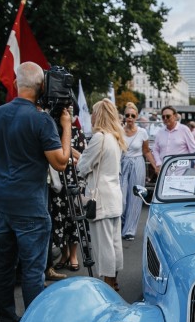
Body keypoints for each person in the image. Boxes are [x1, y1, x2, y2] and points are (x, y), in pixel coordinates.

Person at [0, 61, 73, 322]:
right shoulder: (41, 119)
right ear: (42, 86)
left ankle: (6, 320)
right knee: (32, 268)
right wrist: (65, 125)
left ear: (19, 84)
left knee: (4, 263)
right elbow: (61, 163)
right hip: (29, 204)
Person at [77, 99, 126, 290]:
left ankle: (106, 285)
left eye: (93, 112)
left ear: (99, 115)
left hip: (100, 198)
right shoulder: (115, 137)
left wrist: (78, 157)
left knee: (103, 246)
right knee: (114, 244)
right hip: (113, 195)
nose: (91, 116)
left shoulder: (99, 137)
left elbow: (83, 167)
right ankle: (113, 282)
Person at [49, 121, 87, 274]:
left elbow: (84, 158)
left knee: (73, 217)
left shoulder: (77, 132)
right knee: (60, 218)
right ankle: (63, 255)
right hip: (57, 182)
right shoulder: (52, 130)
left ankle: (73, 256)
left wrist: (68, 152)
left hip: (73, 181)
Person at [119, 102, 150, 241]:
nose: (130, 117)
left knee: (135, 198)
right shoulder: (119, 130)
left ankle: (129, 230)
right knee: (121, 198)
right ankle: (121, 226)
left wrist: (155, 166)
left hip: (138, 163)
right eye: (127, 115)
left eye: (133, 115)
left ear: (137, 116)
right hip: (123, 163)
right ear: (124, 116)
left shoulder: (142, 132)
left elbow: (146, 151)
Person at [151, 105, 195, 173]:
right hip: (164, 171)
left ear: (175, 116)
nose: (165, 118)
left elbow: (193, 148)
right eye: (163, 117)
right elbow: (155, 149)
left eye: (168, 116)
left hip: (181, 171)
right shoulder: (160, 132)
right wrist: (158, 163)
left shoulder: (184, 129)